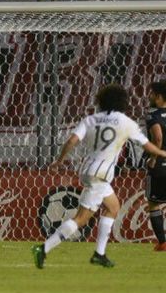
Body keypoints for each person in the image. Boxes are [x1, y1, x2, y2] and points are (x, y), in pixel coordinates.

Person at [32, 84, 166, 269]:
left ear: (101, 101)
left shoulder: (91, 119)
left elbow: (72, 140)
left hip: (88, 169)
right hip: (101, 175)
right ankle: (44, 248)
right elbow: (147, 145)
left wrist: (60, 160)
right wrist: (162, 153)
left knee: (113, 207)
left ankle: (99, 254)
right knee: (80, 219)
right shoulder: (125, 122)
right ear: (123, 102)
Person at [145, 80, 166, 250]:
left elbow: (158, 138)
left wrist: (153, 157)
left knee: (154, 203)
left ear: (159, 97)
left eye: (152, 94)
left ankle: (162, 242)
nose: (150, 96)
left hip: (161, 165)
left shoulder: (153, 114)